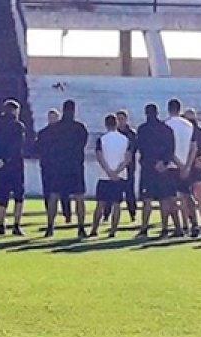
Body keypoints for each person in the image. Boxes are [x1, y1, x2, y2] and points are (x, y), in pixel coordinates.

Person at [42, 99, 89, 238]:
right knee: (79, 197)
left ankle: (50, 227)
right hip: (75, 166)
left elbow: (48, 147)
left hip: (58, 166)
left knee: (54, 196)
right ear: (74, 111)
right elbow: (82, 145)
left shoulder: (54, 129)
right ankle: (81, 227)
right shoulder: (79, 128)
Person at [136, 103, 176, 238]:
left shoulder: (142, 129)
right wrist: (164, 162)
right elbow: (171, 148)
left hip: (148, 168)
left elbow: (140, 147)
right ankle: (164, 228)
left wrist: (149, 162)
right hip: (162, 169)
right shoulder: (166, 129)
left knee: (147, 200)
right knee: (164, 199)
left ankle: (144, 228)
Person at [90, 114, 132, 238]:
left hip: (104, 176)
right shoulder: (125, 139)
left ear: (105, 124)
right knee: (117, 204)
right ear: (116, 123)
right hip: (119, 176)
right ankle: (113, 230)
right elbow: (128, 158)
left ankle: (94, 229)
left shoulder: (102, 139)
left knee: (100, 204)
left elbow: (99, 157)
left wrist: (109, 171)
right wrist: (117, 171)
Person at [0, 99, 27, 236]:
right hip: (15, 164)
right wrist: (6, 159)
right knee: (18, 196)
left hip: (0, 165)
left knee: (2, 195)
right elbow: (17, 146)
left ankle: (1, 225)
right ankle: (16, 225)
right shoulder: (18, 126)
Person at [166, 98, 197, 236]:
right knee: (187, 195)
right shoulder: (189, 125)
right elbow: (194, 147)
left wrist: (179, 164)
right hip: (186, 165)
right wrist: (187, 166)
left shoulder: (166, 125)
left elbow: (168, 150)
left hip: (171, 166)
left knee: (171, 198)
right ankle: (195, 224)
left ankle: (178, 228)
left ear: (169, 109)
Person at [36, 109, 73, 225]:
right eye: (50, 117)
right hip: (47, 167)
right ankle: (50, 215)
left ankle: (67, 214)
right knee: (48, 192)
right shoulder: (43, 133)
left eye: (54, 117)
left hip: (61, 167)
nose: (52, 119)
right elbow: (38, 148)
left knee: (64, 192)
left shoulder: (63, 133)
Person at [184, 108, 201, 233]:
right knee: (200, 199)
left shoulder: (186, 131)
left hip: (186, 167)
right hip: (198, 168)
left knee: (185, 198)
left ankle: (187, 224)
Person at [116, 110, 138, 223]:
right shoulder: (114, 134)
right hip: (115, 165)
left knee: (129, 191)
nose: (120, 121)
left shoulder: (132, 134)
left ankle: (132, 213)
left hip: (129, 166)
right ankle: (106, 214)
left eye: (122, 119)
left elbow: (133, 149)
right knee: (113, 191)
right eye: (118, 119)